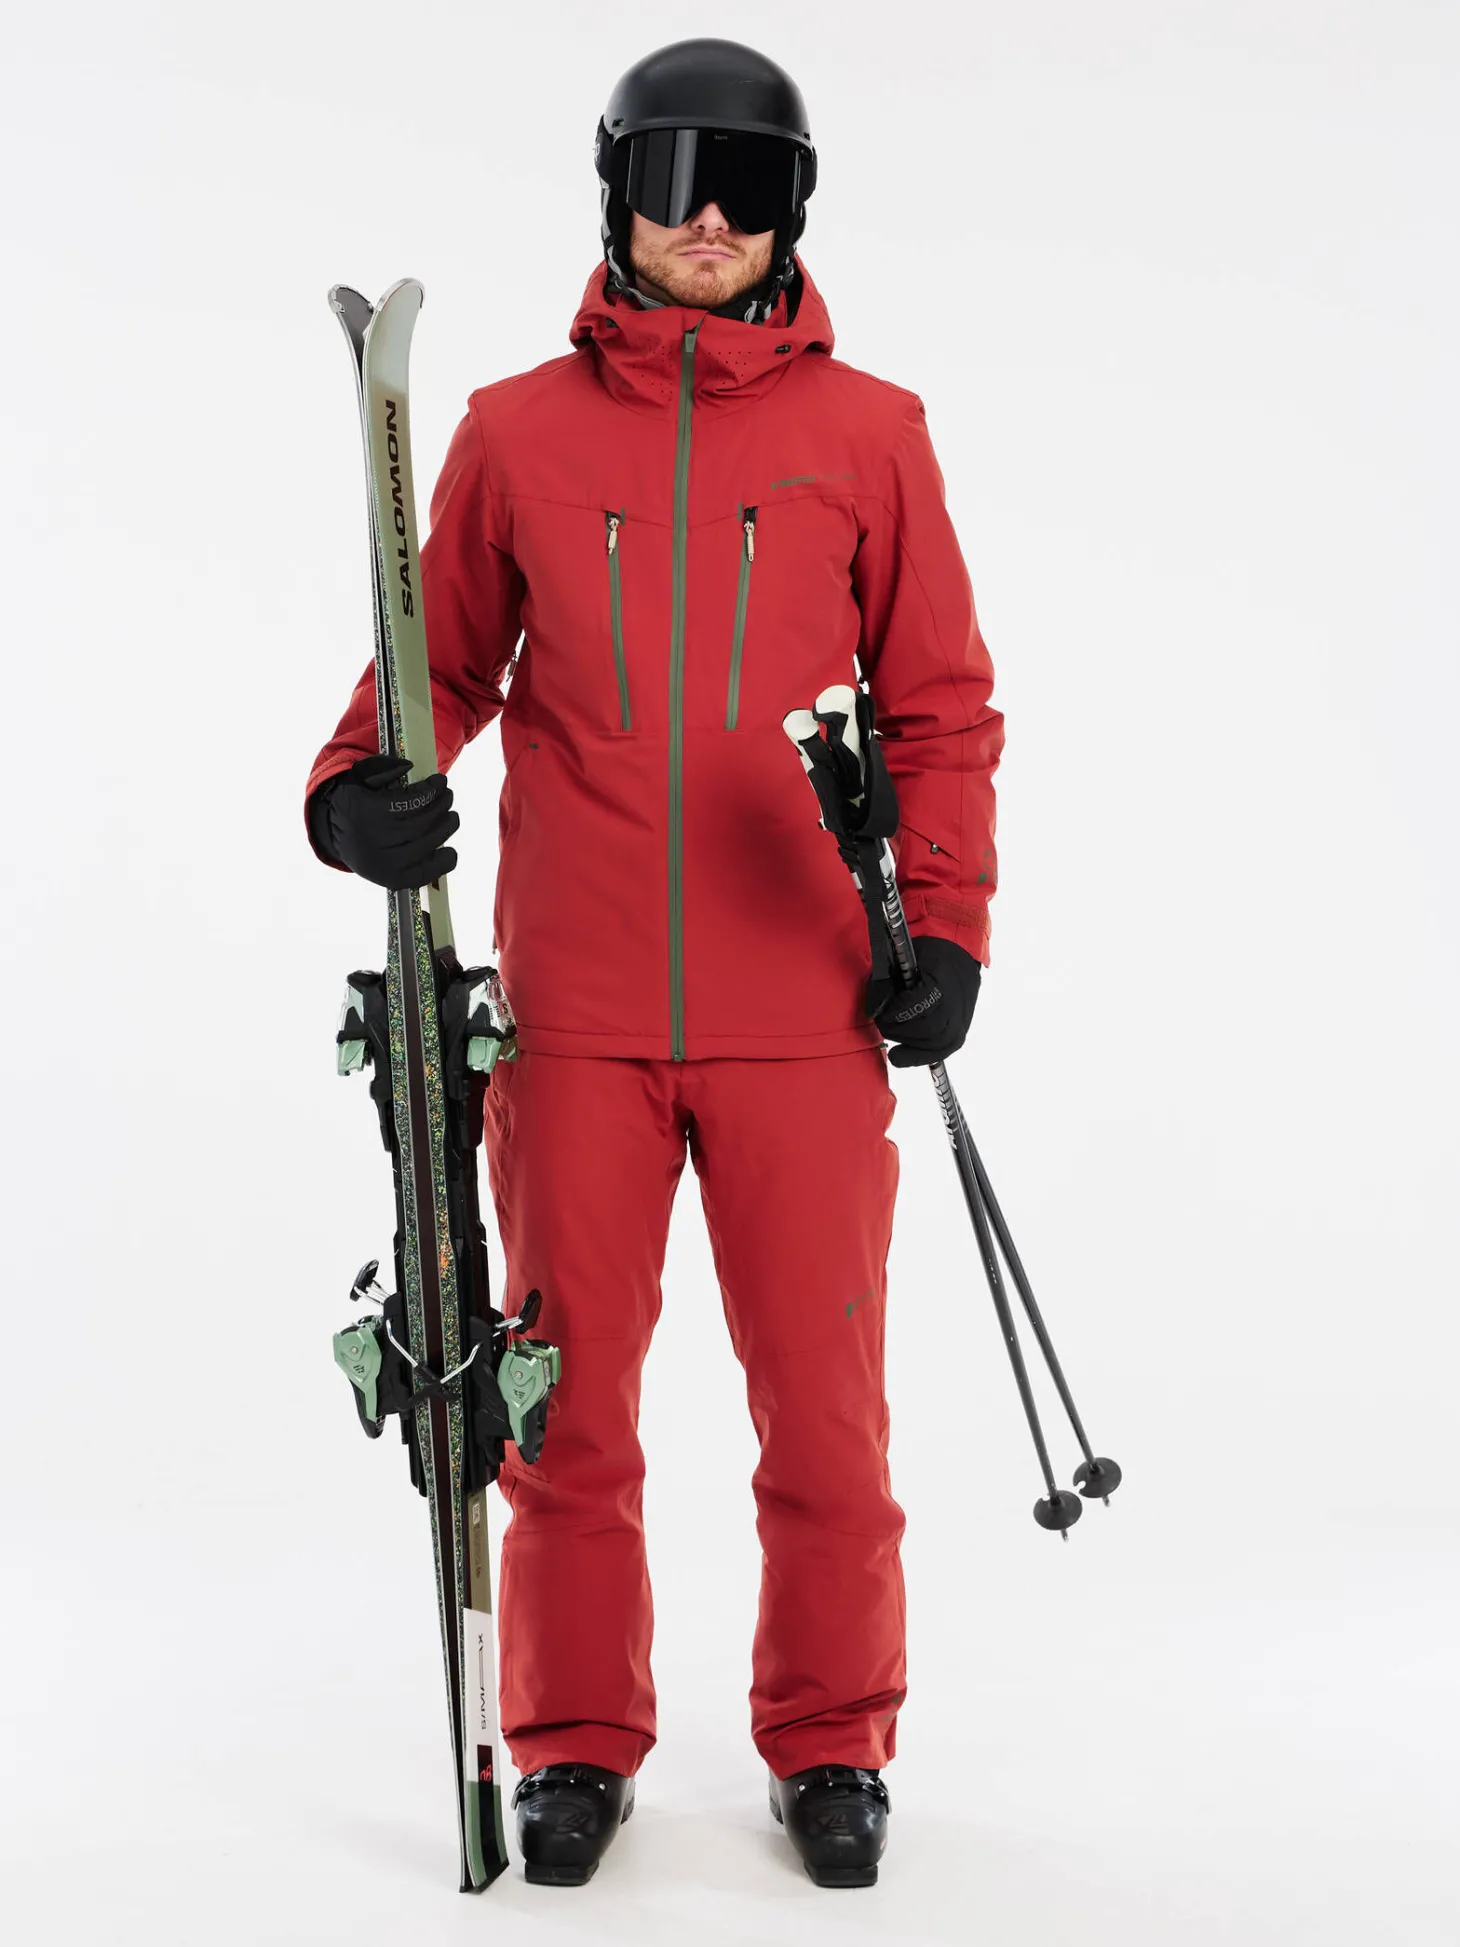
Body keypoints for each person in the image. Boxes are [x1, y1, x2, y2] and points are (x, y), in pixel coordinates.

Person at [305, 36, 1002, 1890]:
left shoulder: (873, 436)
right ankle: (572, 1741)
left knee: (826, 1415)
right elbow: (436, 661)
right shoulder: (518, 432)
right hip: (576, 1020)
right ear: (616, 189)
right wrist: (360, 793)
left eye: (748, 185)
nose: (708, 217)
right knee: (563, 1406)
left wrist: (945, 929)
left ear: (793, 210)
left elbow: (940, 710)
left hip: (804, 1014)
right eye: (676, 176)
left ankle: (832, 1736)